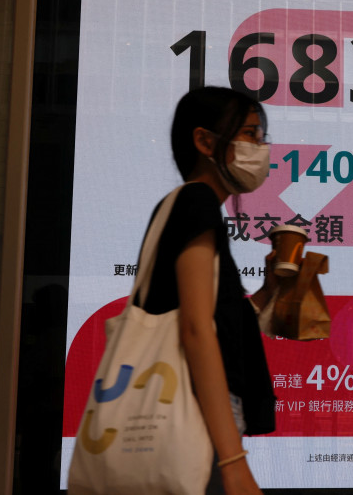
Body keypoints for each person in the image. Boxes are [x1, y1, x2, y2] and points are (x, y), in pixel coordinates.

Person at [136, 86, 279, 495]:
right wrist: (233, 460)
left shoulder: (190, 207)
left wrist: (268, 292)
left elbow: (218, 325)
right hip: (195, 419)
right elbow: (197, 331)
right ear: (204, 141)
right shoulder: (197, 202)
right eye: (250, 133)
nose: (260, 147)